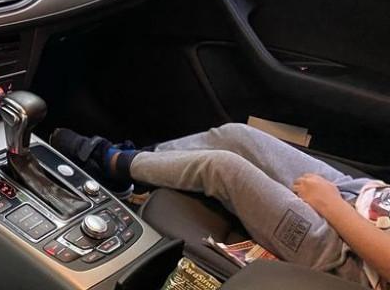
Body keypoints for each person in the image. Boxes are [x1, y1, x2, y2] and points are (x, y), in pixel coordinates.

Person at [50, 123, 389, 288]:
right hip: (366, 199)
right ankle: (140, 171)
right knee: (236, 136)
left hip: (349, 255)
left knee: (223, 168)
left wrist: (331, 206)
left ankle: (109, 162)